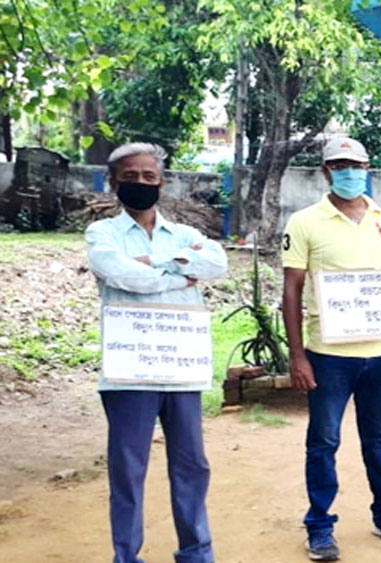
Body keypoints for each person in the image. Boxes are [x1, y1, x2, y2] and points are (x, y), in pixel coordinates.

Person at [86, 142, 228, 563]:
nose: (141, 183)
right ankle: (126, 556)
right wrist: (181, 272)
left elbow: (217, 264)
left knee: (192, 465)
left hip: (180, 366)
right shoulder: (102, 233)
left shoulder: (185, 234)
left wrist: (155, 263)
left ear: (162, 182)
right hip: (129, 368)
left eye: (149, 176)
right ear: (114, 183)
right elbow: (121, 273)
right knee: (128, 470)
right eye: (130, 177)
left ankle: (196, 551)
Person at [281, 137, 381, 560]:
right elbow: (292, 289)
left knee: (379, 439)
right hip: (328, 355)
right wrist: (297, 354)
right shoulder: (304, 222)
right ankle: (320, 526)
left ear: (367, 167)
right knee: (323, 441)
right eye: (340, 165)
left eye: (356, 164)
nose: (350, 172)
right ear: (326, 172)